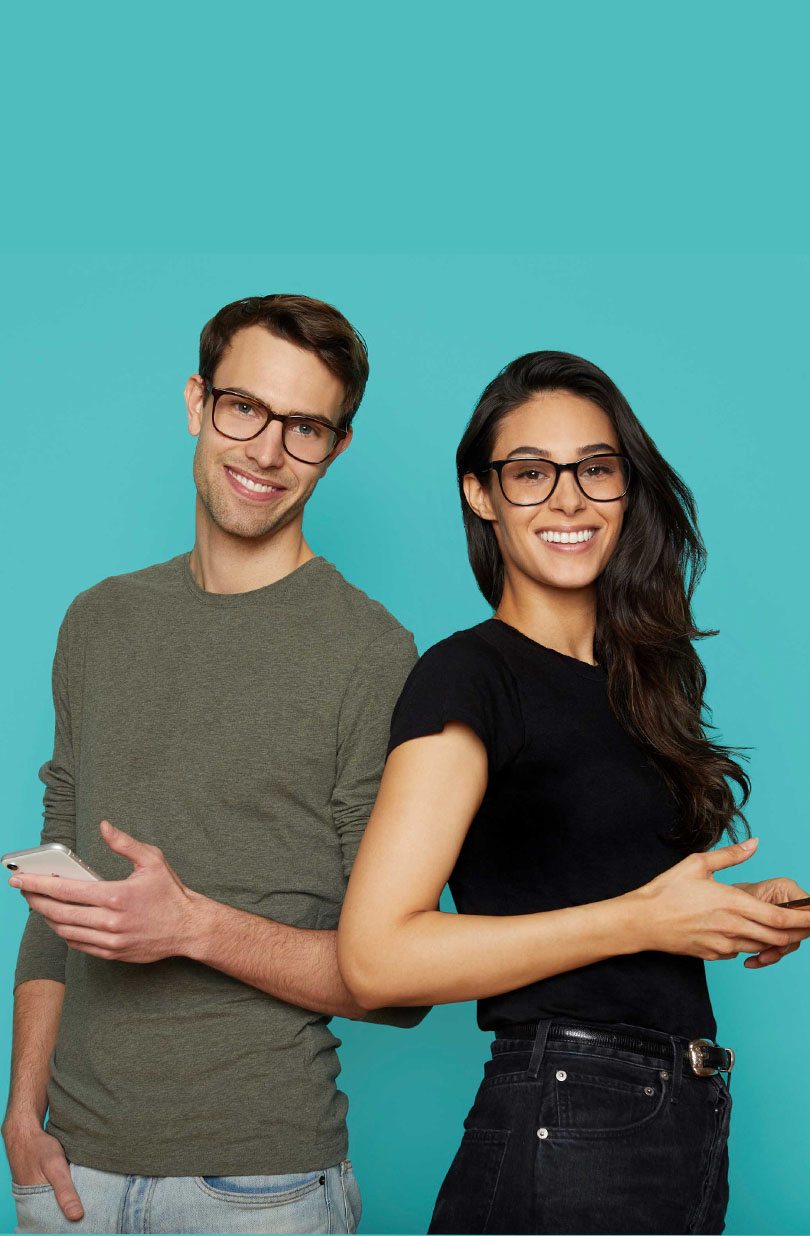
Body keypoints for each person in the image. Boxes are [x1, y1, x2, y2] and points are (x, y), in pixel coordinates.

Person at [337, 350, 810, 1236]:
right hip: (573, 1116)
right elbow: (376, 959)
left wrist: (726, 913)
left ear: (626, 488)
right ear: (480, 494)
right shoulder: (468, 676)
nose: (568, 500)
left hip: (681, 1112)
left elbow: (591, 883)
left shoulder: (645, 682)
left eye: (596, 469)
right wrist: (644, 920)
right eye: (529, 474)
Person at [3, 293, 425, 1235]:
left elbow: (398, 985)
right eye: (245, 408)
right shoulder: (98, 621)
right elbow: (55, 893)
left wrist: (192, 925)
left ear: (337, 447)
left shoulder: (372, 655)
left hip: (258, 1187)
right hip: (68, 1176)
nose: (266, 451)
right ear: (198, 402)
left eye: (305, 427)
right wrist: (22, 1113)